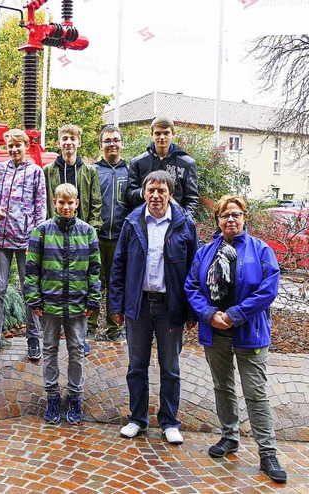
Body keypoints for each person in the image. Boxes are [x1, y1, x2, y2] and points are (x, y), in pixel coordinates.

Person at [184, 195, 287, 483]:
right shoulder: (205, 252)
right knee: (223, 386)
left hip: (249, 332)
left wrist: (236, 314)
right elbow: (192, 285)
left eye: (236, 214)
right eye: (225, 215)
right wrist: (208, 314)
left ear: (245, 217)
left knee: (255, 392)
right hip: (215, 331)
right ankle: (229, 436)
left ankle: (268, 453)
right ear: (217, 221)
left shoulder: (261, 250)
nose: (231, 219)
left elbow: (268, 289)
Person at [110, 171, 198, 445]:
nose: (156, 195)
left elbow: (195, 269)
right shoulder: (132, 222)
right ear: (144, 192)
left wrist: (193, 311)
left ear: (170, 193)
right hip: (138, 305)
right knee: (137, 366)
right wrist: (116, 303)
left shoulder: (184, 225)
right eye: (151, 190)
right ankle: (137, 418)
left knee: (170, 367)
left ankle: (170, 422)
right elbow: (118, 265)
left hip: (170, 307)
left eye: (161, 190)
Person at [24, 183, 101, 425]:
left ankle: (75, 396)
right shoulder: (42, 231)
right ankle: (52, 395)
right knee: (49, 349)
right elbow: (31, 269)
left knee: (77, 350)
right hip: (50, 303)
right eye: (61, 202)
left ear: (77, 203)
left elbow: (95, 269)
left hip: (78, 303)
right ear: (54, 203)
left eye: (70, 202)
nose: (66, 207)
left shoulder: (88, 232)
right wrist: (34, 298)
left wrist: (93, 297)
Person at [0, 129, 46, 361]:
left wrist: (37, 239)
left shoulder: (35, 172)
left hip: (25, 240)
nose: (13, 150)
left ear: (26, 146)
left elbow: (40, 206)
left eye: (18, 145)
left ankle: (33, 338)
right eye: (10, 146)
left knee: (28, 288)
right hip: (1, 238)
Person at [43, 124, 102, 355]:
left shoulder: (89, 172)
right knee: (55, 280)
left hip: (81, 236)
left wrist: (91, 232)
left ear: (79, 142)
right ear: (59, 143)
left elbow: (96, 203)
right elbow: (44, 201)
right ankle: (53, 334)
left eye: (72, 138)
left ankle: (80, 336)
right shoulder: (48, 170)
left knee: (80, 284)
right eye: (64, 138)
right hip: (54, 236)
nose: (68, 142)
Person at [94, 125, 129, 342]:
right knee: (94, 282)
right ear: (101, 145)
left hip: (120, 237)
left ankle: (114, 328)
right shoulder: (93, 170)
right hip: (96, 237)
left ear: (121, 143)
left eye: (116, 140)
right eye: (107, 140)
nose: (112, 144)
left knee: (116, 283)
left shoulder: (130, 171)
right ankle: (88, 326)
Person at [126, 116, 198, 217]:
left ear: (173, 133)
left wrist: (185, 221)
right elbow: (130, 195)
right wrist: (147, 191)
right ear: (152, 134)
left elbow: (191, 199)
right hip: (144, 221)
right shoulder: (138, 162)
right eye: (158, 133)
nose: (162, 137)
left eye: (166, 133)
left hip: (175, 222)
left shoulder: (187, 164)